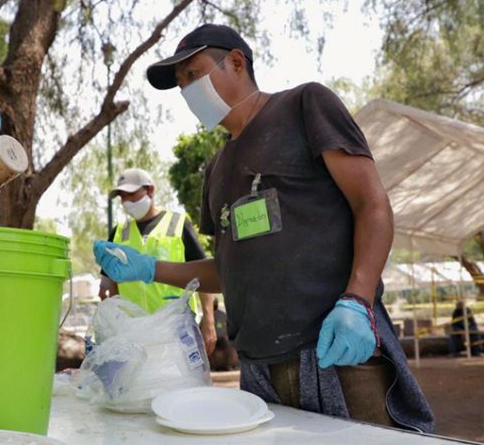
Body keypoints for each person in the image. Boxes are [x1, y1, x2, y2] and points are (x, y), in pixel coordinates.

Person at [94, 24, 435, 432]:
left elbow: (372, 204)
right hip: (257, 368)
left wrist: (358, 300)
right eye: (180, 82)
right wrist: (149, 268)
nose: (186, 90)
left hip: (335, 350)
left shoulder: (304, 106)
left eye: (193, 73)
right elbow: (227, 269)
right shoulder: (217, 168)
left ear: (236, 62)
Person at [100, 168, 218, 353]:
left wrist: (209, 320)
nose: (126, 201)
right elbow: (110, 286)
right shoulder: (117, 233)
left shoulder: (178, 224)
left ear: (150, 190)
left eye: (131, 194)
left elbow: (203, 277)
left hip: (176, 331)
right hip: (134, 335)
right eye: (122, 196)